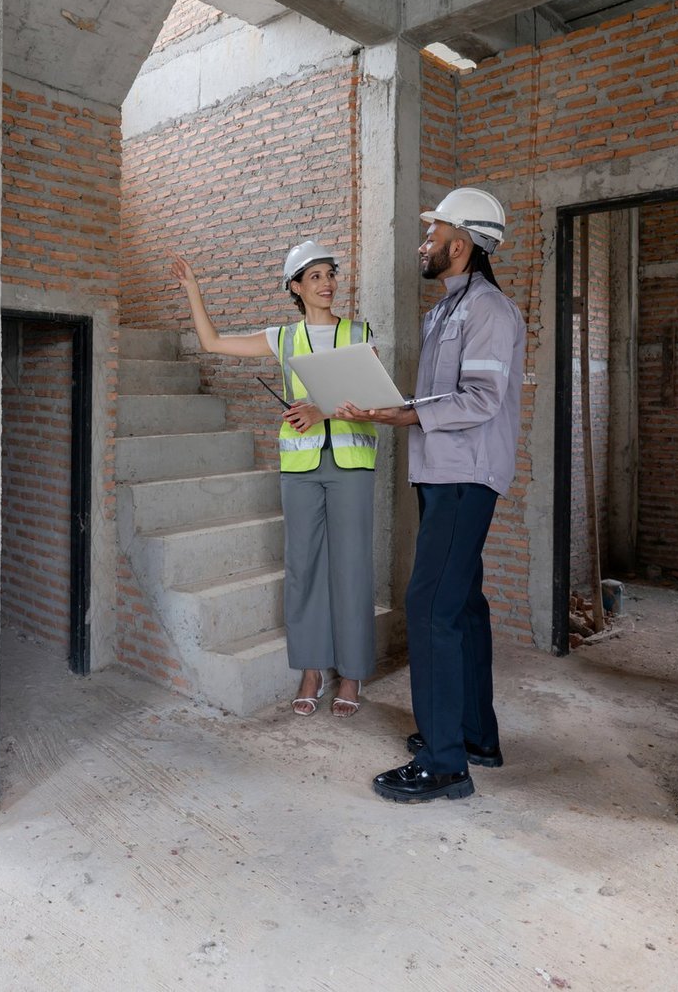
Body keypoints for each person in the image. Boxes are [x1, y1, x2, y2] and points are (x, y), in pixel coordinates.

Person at [337, 187, 525, 801]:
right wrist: (389, 406)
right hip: (440, 472)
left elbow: (481, 400)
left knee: (429, 607)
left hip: (466, 476)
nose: (424, 243)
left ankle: (444, 764)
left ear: (461, 244)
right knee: (462, 603)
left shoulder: (489, 311)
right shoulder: (444, 310)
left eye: (433, 233)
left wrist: (402, 414)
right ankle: (473, 735)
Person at [171, 242, 379, 718]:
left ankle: (351, 673)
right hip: (301, 470)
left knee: (350, 567)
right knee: (303, 566)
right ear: (295, 287)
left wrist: (320, 410)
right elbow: (213, 343)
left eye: (330, 274)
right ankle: (311, 669)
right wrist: (193, 291)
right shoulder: (282, 338)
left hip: (351, 468)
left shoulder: (360, 333)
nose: (327, 283)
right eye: (315, 277)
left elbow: (373, 401)